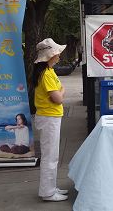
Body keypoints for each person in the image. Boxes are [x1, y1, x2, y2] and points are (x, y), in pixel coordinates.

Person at [32, 38, 69, 202]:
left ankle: (51, 188)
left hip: (50, 117)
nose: (59, 56)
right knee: (50, 156)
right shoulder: (46, 74)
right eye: (57, 54)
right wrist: (62, 91)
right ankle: (47, 192)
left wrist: (61, 91)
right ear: (50, 56)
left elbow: (58, 94)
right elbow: (58, 98)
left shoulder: (48, 71)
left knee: (52, 155)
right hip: (49, 118)